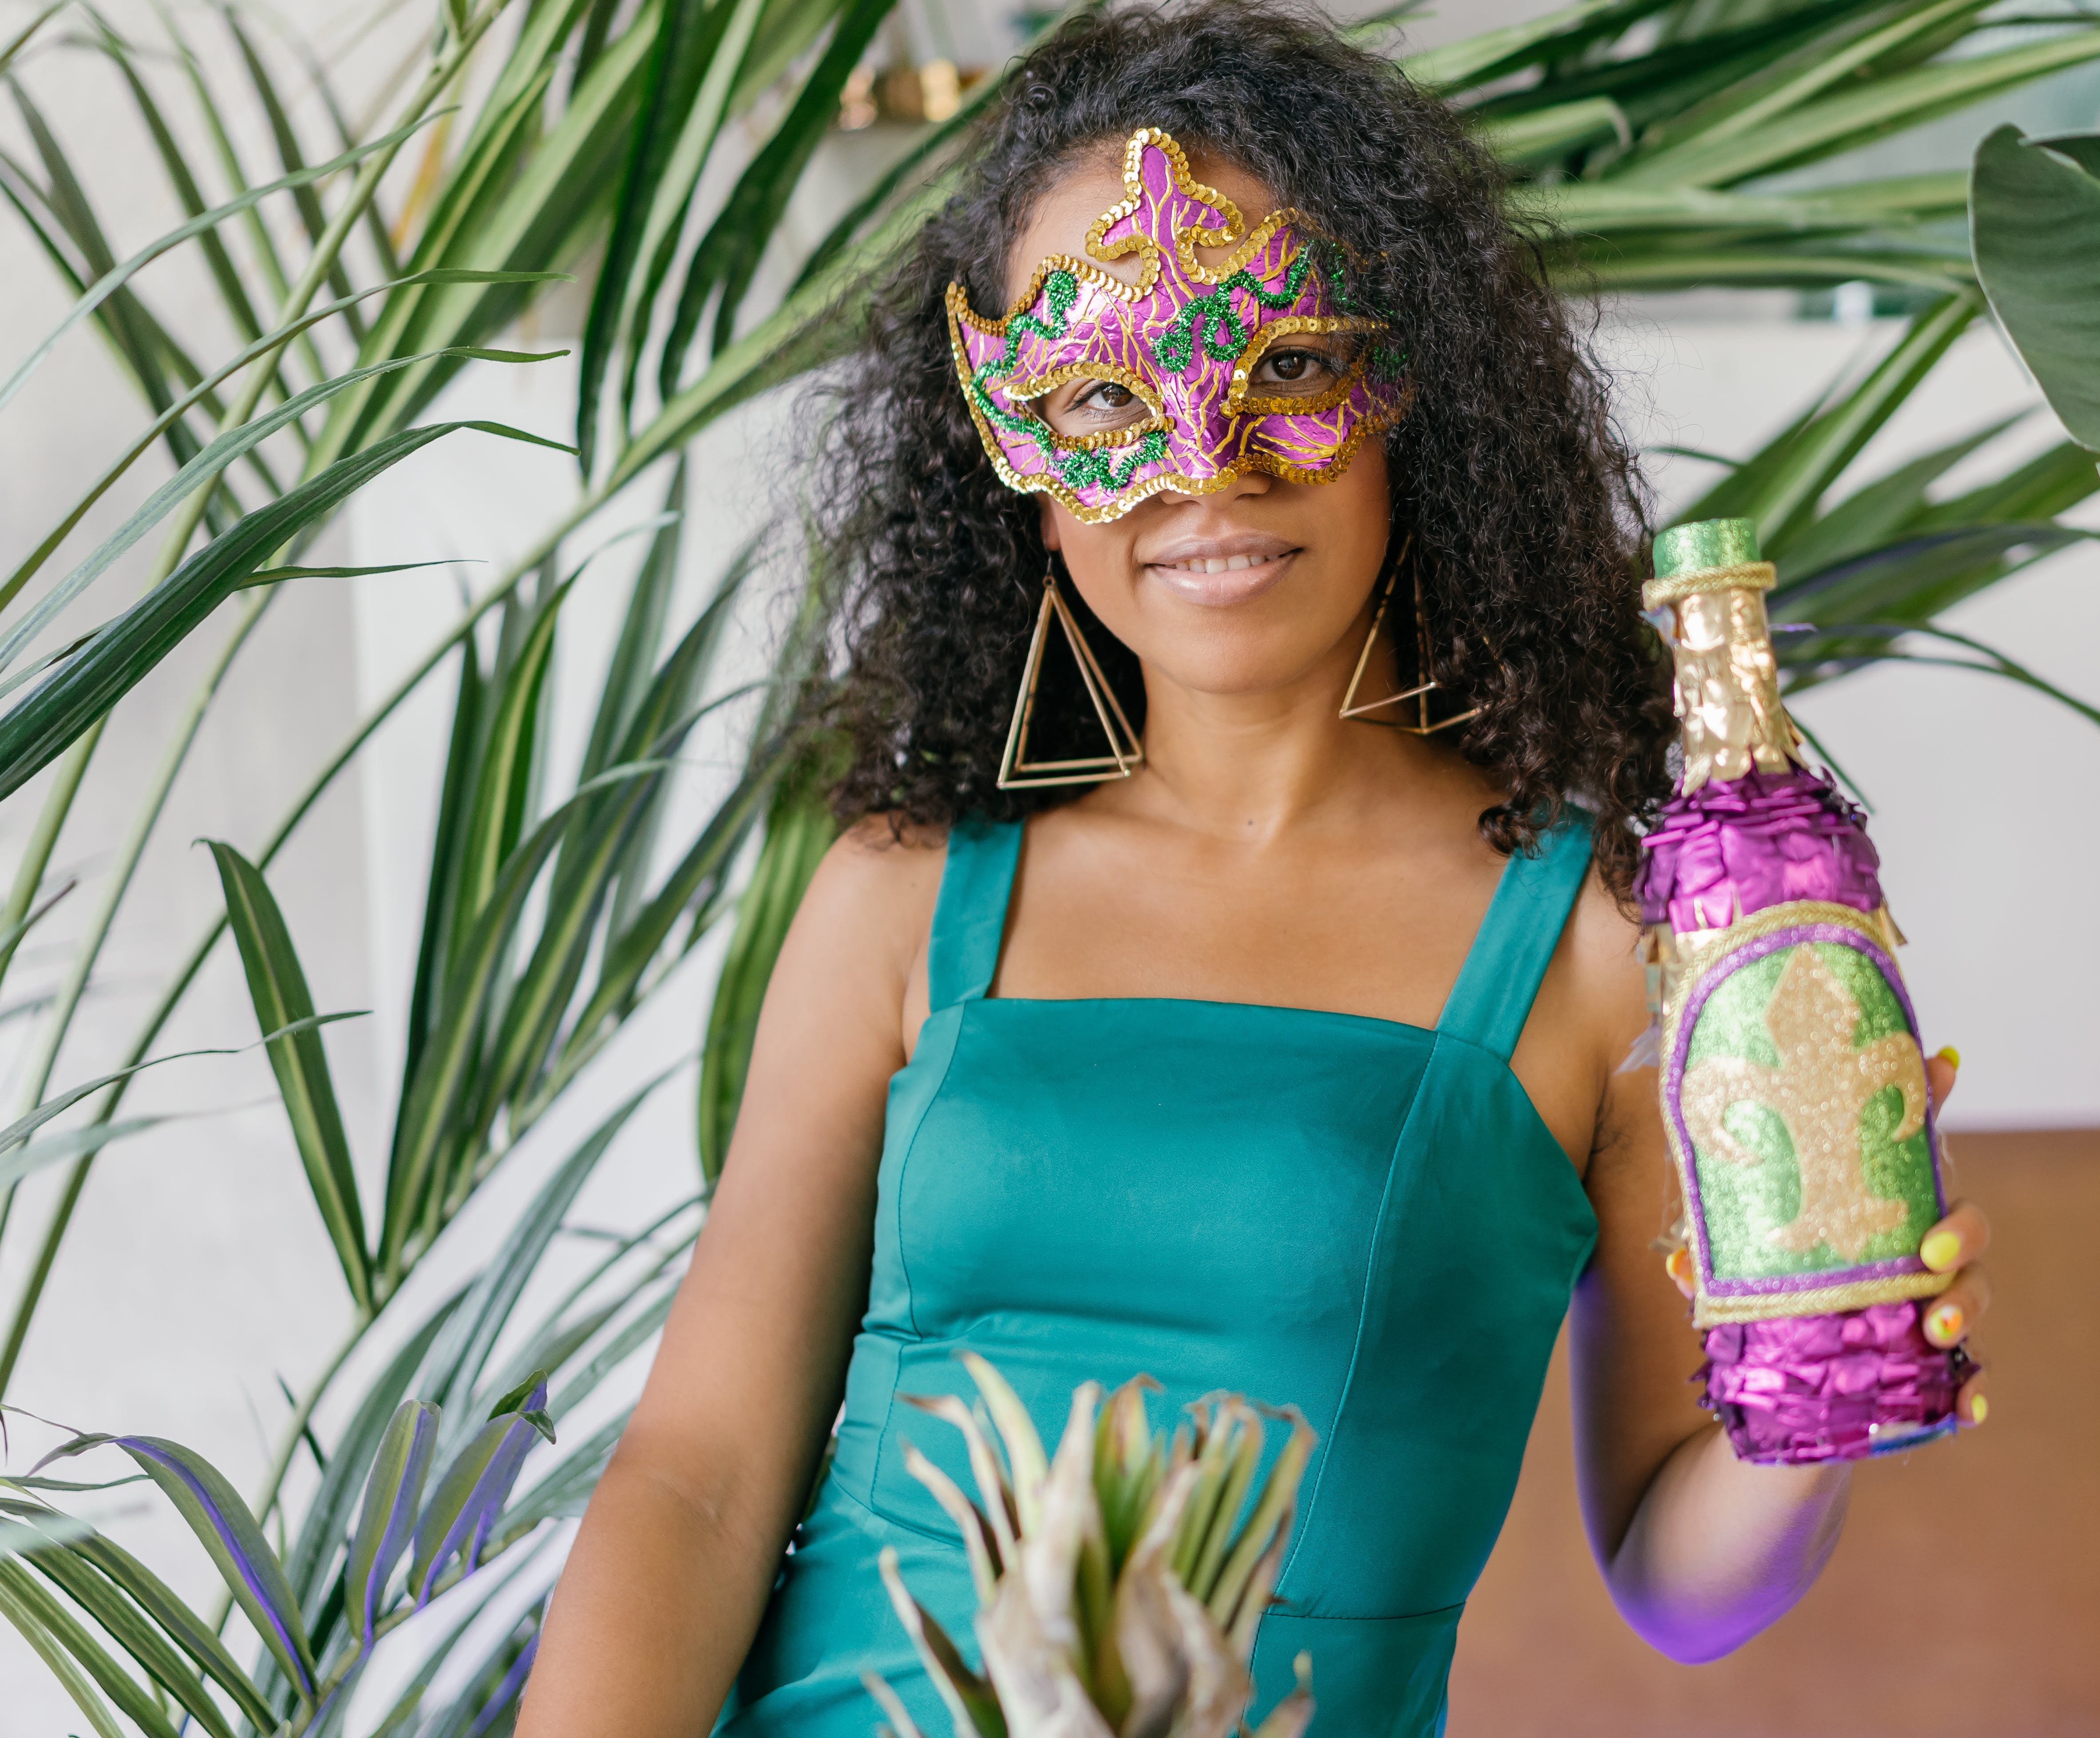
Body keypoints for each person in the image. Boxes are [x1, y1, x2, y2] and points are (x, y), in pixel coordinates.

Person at [518, 5, 1989, 1734]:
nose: (1198, 467)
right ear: (1011, 454)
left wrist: (1811, 1407)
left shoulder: (1604, 938)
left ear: (1410, 388)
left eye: (1280, 365)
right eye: (1100, 397)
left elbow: (1674, 1576)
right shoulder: (905, 893)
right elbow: (695, 1473)